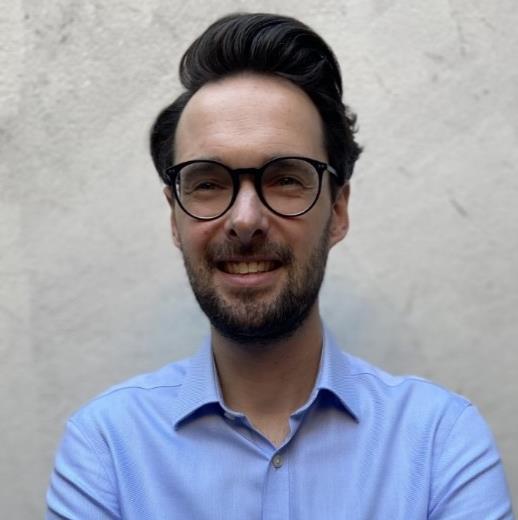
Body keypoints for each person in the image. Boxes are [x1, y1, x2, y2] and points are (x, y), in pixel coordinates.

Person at [46, 13, 514, 519]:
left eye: (286, 178)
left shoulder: (440, 441)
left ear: (338, 211)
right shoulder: (107, 448)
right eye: (208, 183)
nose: (245, 220)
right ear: (174, 218)